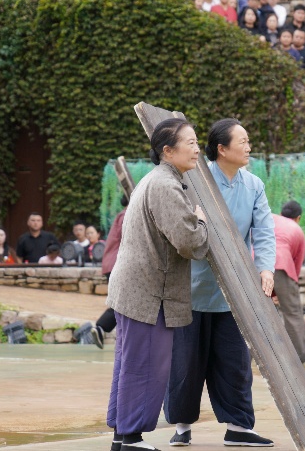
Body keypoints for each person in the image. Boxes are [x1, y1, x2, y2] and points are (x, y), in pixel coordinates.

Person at [164, 118, 274, 448]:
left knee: (235, 362)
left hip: (233, 291)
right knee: (186, 362)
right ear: (222, 149)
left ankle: (239, 427)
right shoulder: (194, 181)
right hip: (192, 287)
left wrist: (266, 269)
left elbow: (264, 232)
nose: (248, 146)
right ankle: (182, 426)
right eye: (242, 141)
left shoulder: (253, 185)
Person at [105, 117, 210, 451]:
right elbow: (188, 240)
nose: (197, 148)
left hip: (135, 288)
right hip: (148, 292)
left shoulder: (156, 180)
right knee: (146, 364)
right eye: (190, 142)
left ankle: (123, 436)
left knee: (130, 362)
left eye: (197, 142)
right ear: (168, 150)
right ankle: (132, 437)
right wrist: (202, 222)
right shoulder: (166, 185)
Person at [272, 201, 305, 362]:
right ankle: (299, 356)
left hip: (256, 261)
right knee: (293, 313)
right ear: (298, 218)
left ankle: (249, 354)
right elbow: (296, 267)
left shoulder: (271, 219)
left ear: (281, 213)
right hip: (282, 265)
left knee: (255, 311)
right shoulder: (298, 231)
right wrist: (286, 291)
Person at [91, 196, 128, 349]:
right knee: (123, 300)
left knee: (123, 300)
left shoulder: (122, 214)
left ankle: (104, 328)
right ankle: (102, 326)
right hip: (118, 263)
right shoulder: (128, 214)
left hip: (112, 263)